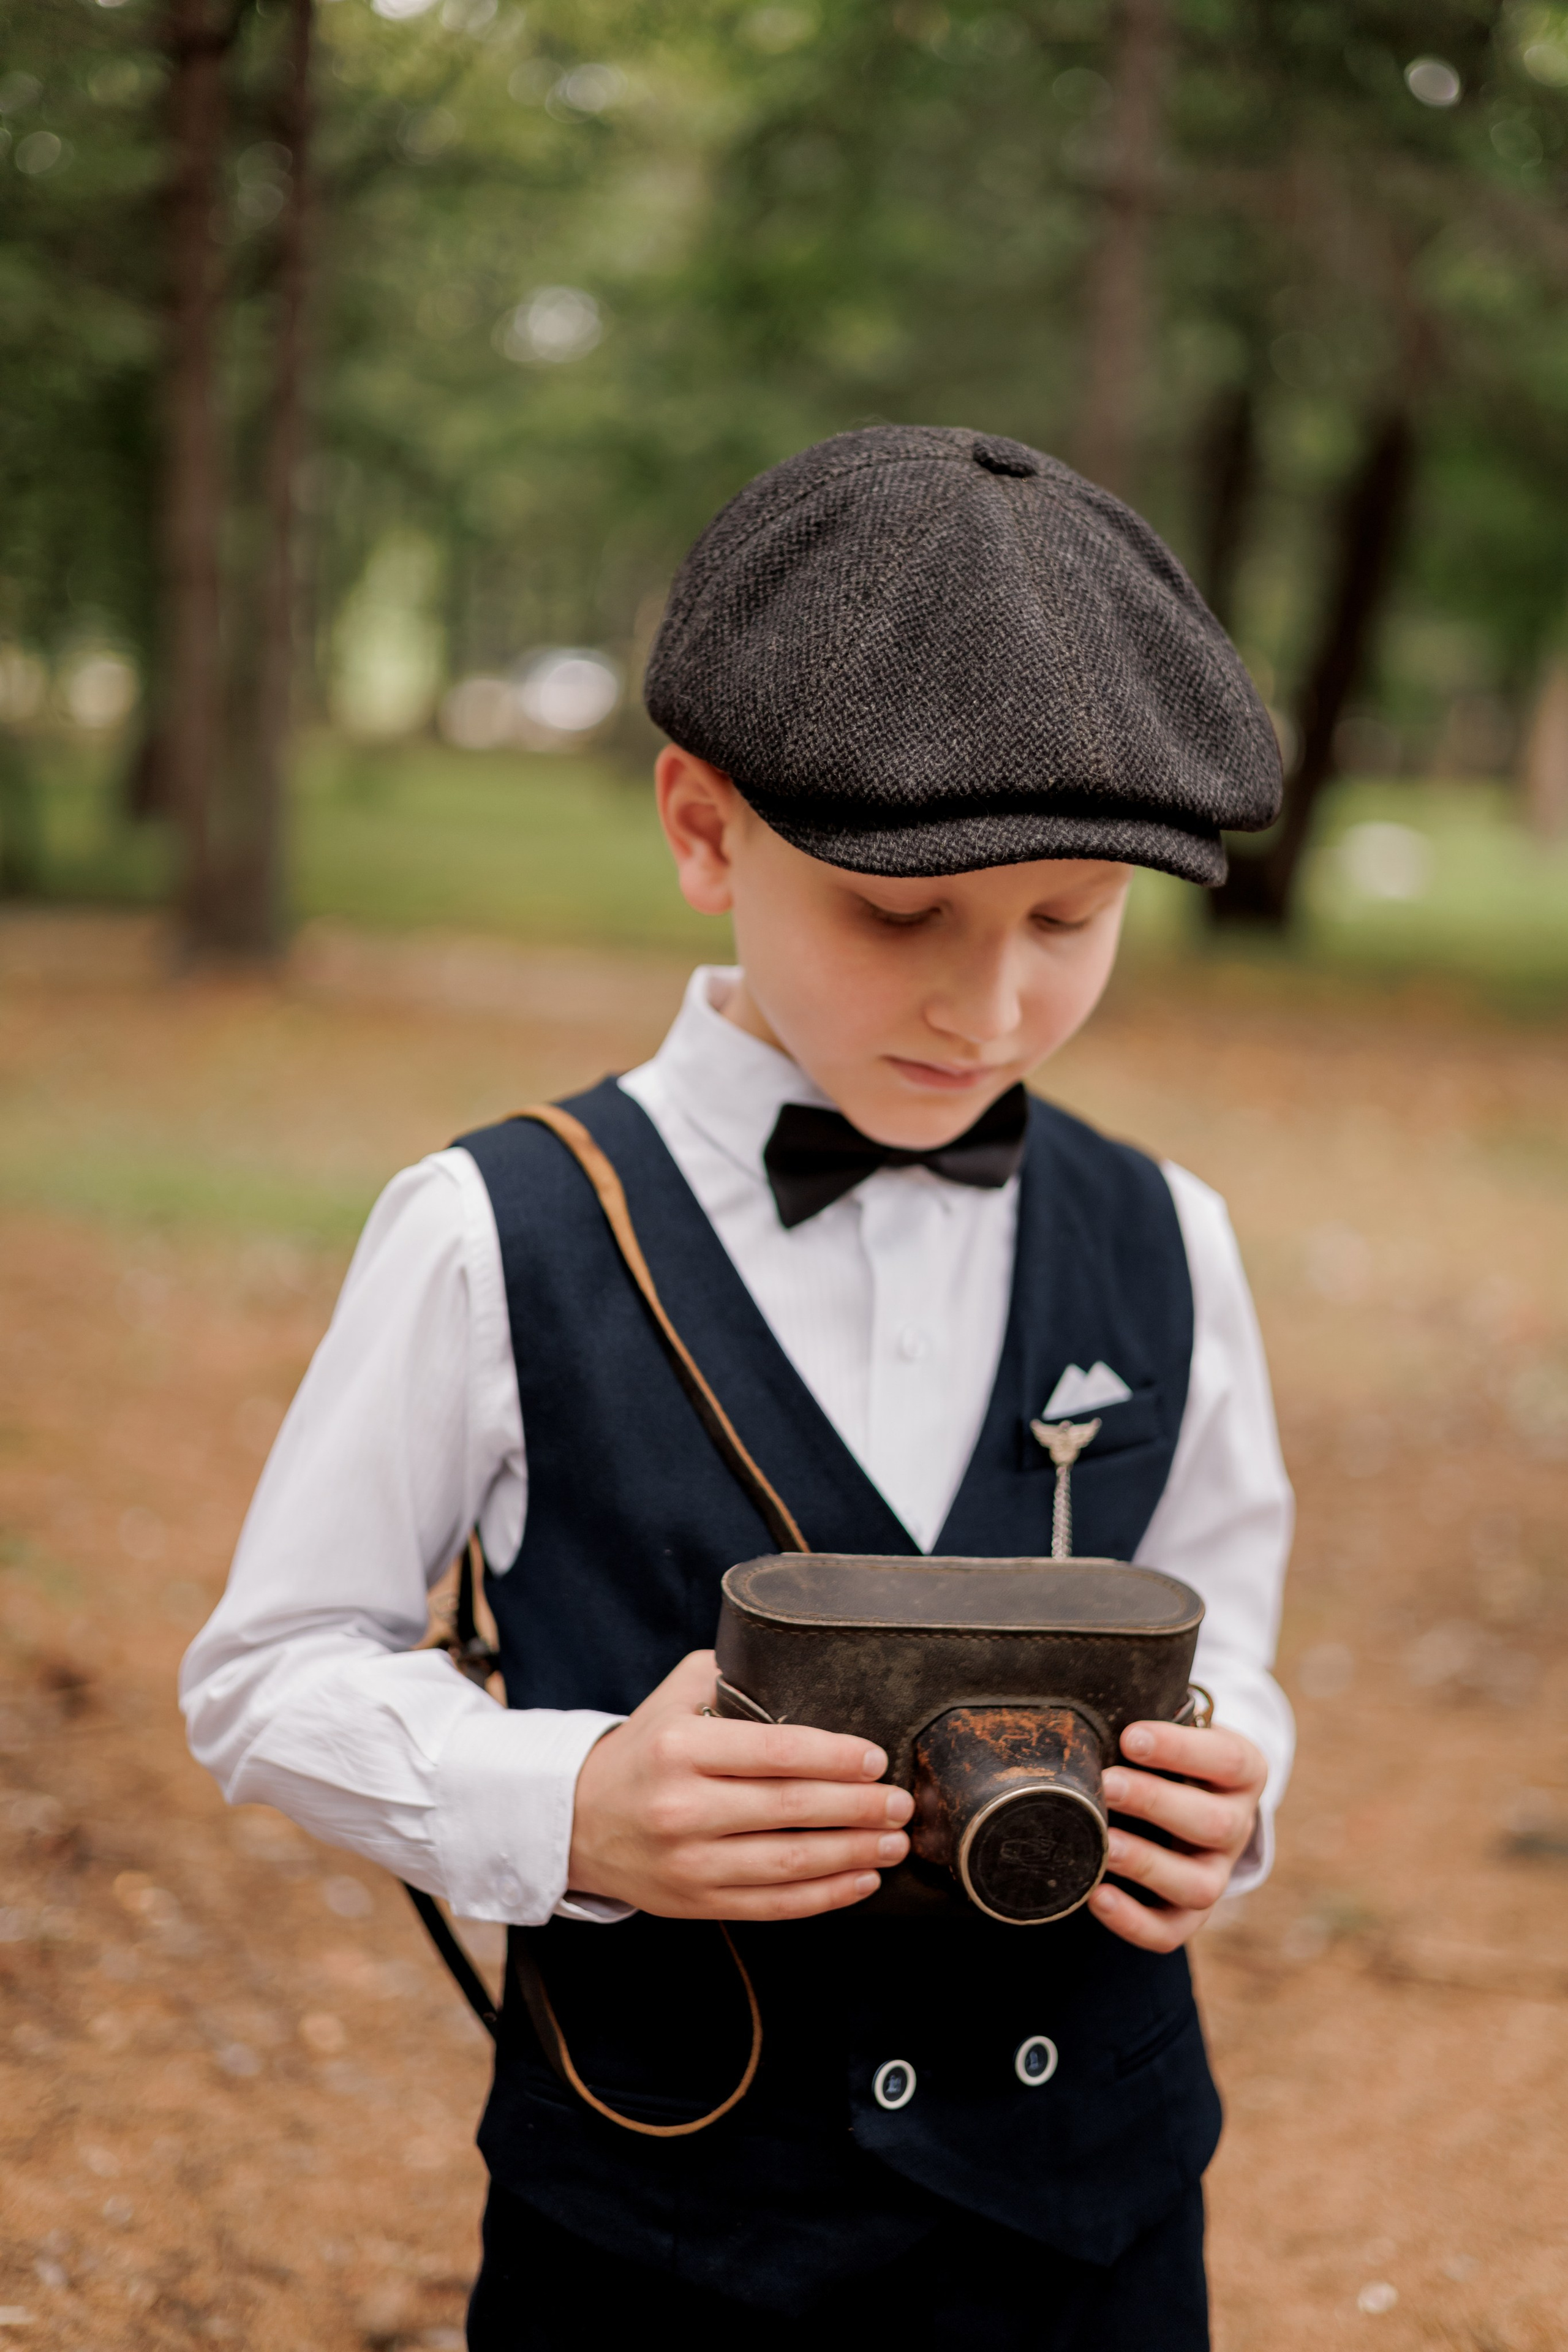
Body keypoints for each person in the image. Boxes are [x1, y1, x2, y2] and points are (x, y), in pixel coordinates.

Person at [181, 425, 1295, 2350]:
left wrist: (1236, 1787)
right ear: (705, 829)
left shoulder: (1168, 1234)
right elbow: (272, 1672)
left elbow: (1230, 1630)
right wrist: (574, 1801)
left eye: (1070, 921)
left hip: (1091, 2228)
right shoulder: (489, 1231)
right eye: (899, 917)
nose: (995, 1006)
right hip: (667, 2229)